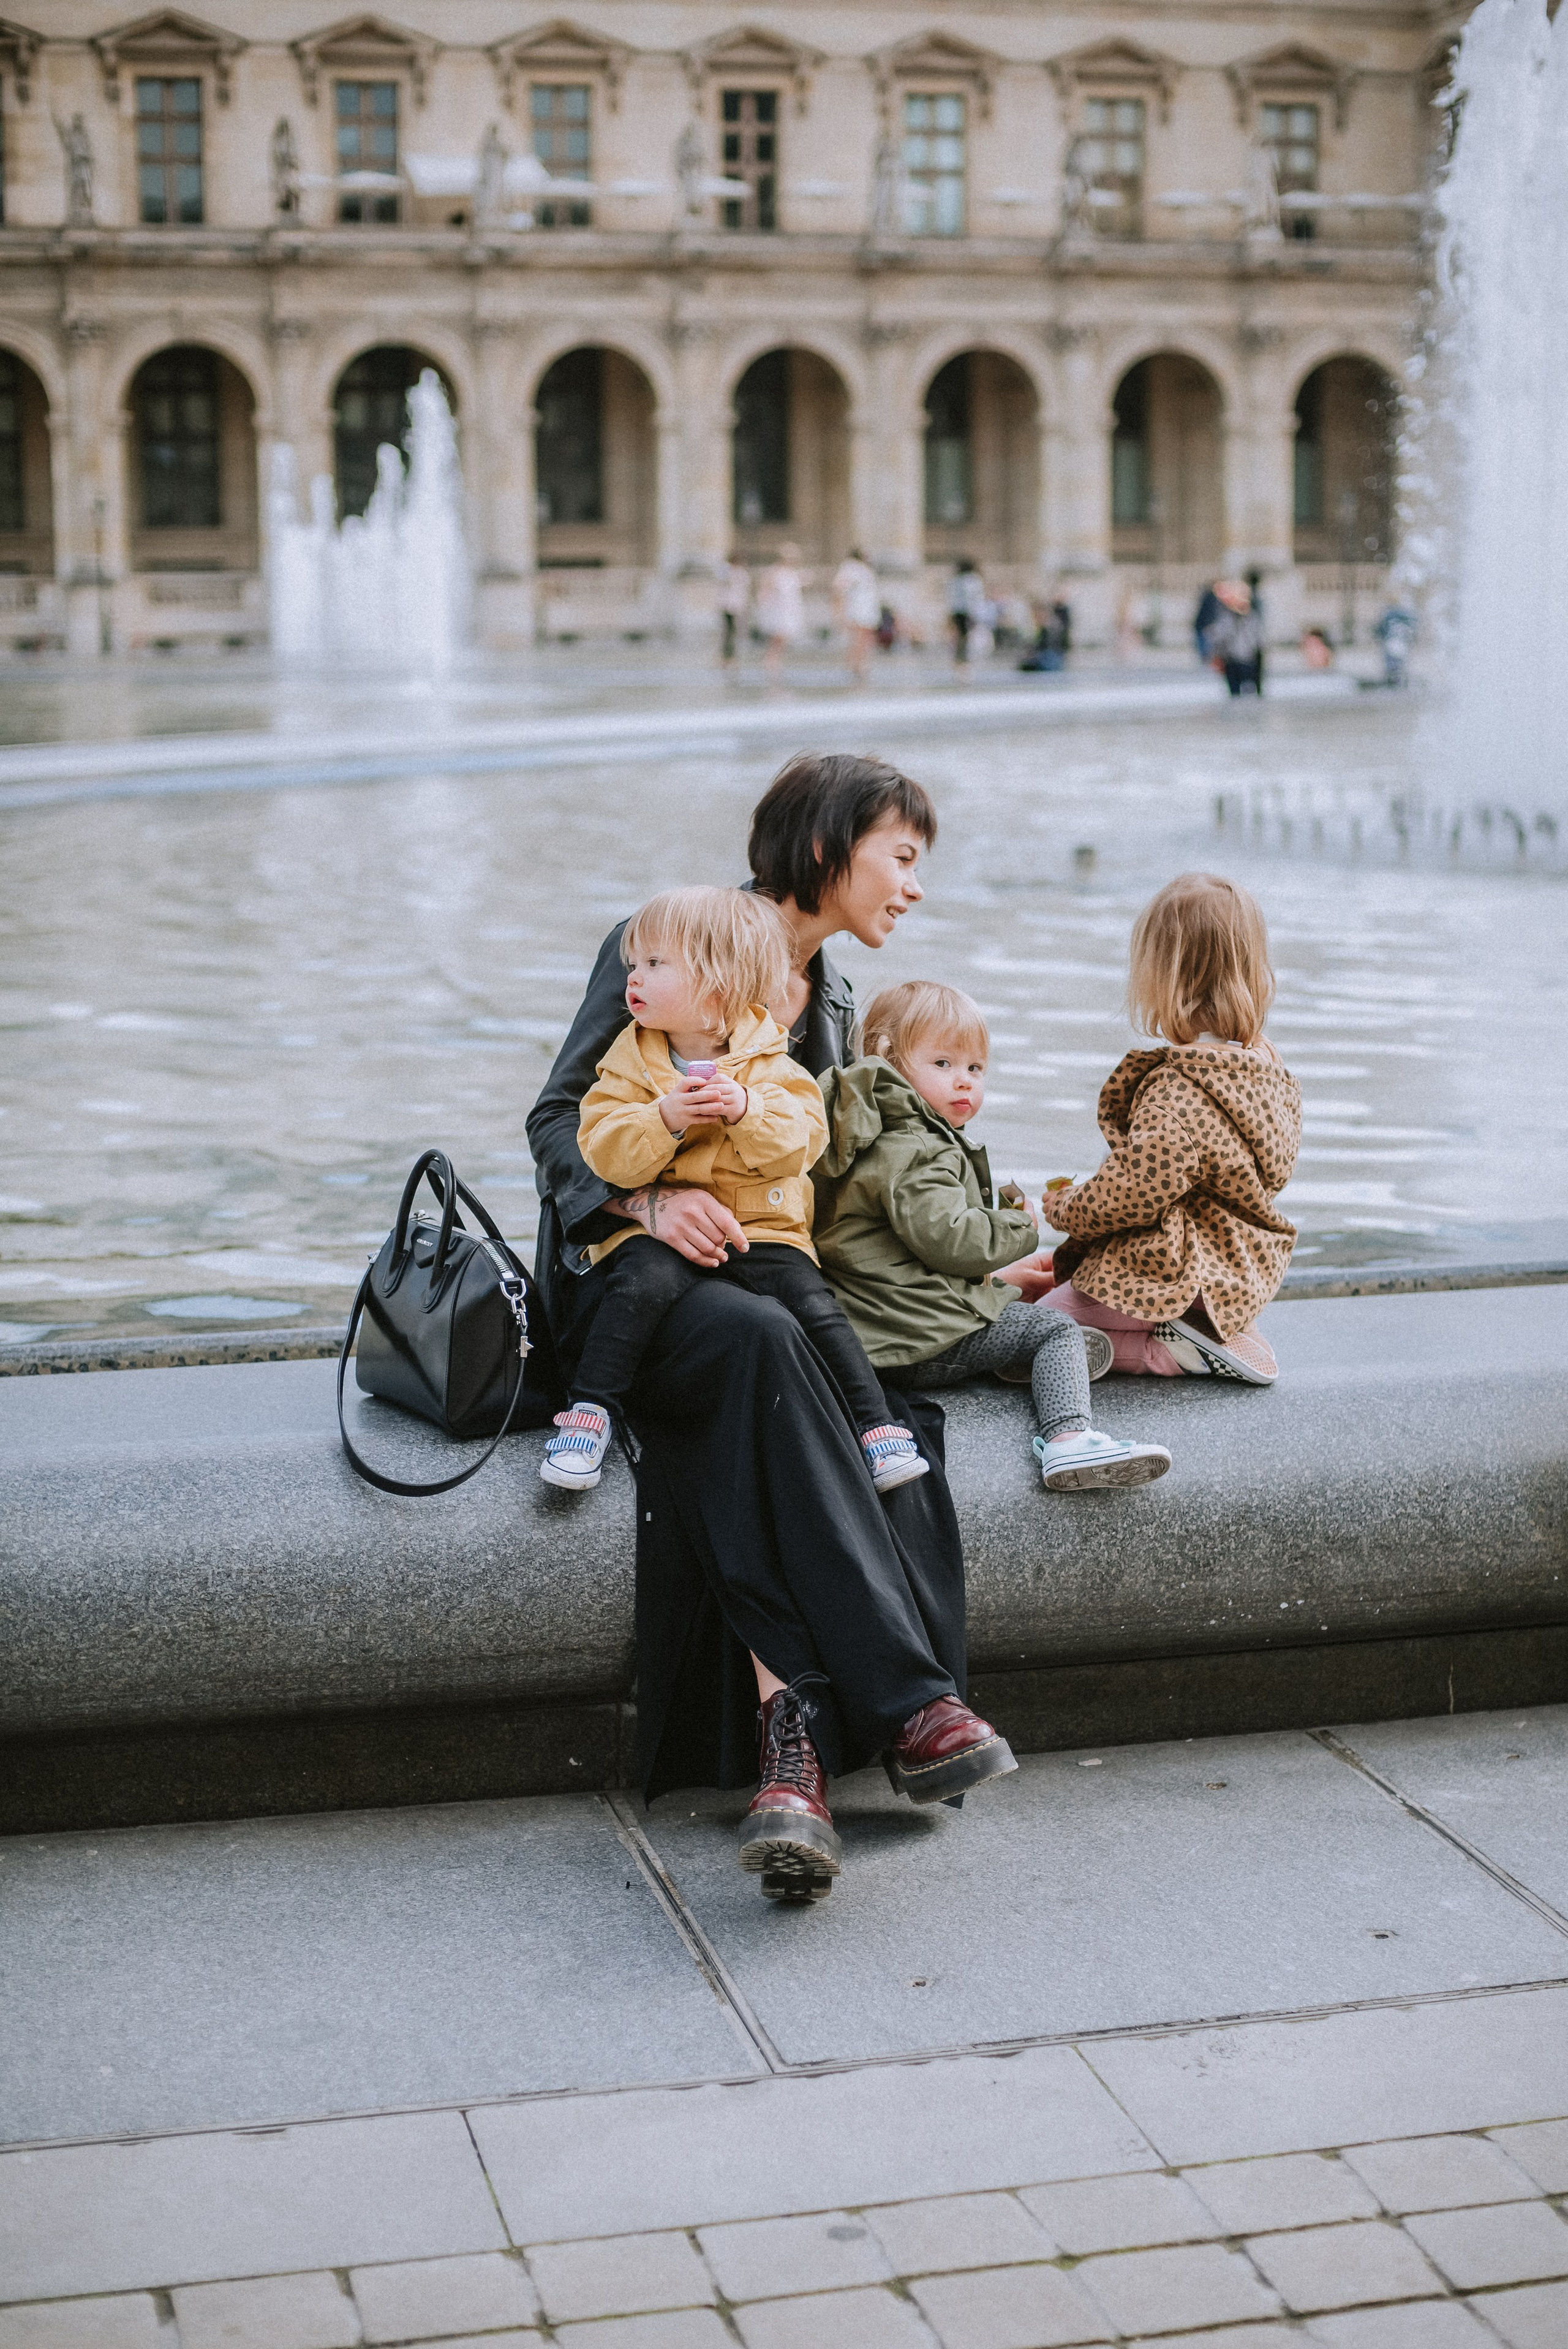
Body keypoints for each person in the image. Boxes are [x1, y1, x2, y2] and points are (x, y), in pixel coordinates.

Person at [526, 752, 1019, 1905]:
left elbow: (828, 1177)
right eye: (901, 857)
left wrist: (979, 1267)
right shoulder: (672, 937)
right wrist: (645, 1199)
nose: (912, 886)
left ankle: (789, 1748)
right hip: (631, 1278)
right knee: (765, 1349)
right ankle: (907, 1704)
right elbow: (557, 1115)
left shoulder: (836, 1002)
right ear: (828, 846)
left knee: (836, 1377)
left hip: (762, 1286)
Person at [541, 885, 926, 1498]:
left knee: (813, 1305)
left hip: (763, 1225)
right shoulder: (628, 1061)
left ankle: (875, 1427)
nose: (632, 977)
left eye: (654, 965)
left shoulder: (771, 1060)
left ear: (717, 988)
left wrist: (746, 1110)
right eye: (633, 964)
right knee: (638, 1285)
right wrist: (662, 1118)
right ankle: (590, 1414)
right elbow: (601, 1148)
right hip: (659, 1228)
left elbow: (804, 1144)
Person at [813, 980, 1172, 1492]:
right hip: (922, 1339)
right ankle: (1068, 1440)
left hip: (876, 1330)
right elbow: (953, 1241)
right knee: (1054, 1332)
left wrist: (994, 1276)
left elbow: (901, 1251)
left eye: (975, 1069)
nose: (964, 1083)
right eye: (943, 1065)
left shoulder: (861, 1132)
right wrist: (1016, 1225)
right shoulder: (917, 1147)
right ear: (889, 1058)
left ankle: (1026, 1365)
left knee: (1018, 1318)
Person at [1036, 873, 1302, 1385]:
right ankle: (1206, 1331)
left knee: (1034, 1329)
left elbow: (1133, 1191)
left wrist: (1067, 1206)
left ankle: (1168, 1351)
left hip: (1168, 1274)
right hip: (1241, 1269)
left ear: (1164, 978)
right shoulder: (1267, 1067)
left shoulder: (1179, 1088)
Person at [755, 543, 806, 679]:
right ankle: (771, 661)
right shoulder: (776, 572)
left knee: (783, 638)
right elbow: (766, 588)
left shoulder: (793, 572)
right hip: (779, 609)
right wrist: (764, 602)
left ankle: (776, 661)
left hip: (789, 609)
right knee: (778, 637)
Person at [1207, 580, 1264, 697]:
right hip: (1233, 660)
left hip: (1247, 659)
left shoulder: (1252, 617)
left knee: (1246, 694)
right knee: (1235, 695)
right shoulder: (1227, 616)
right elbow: (1219, 638)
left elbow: (1258, 640)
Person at [832, 548, 880, 681]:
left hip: (867, 608)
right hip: (858, 609)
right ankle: (855, 665)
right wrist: (838, 609)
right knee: (859, 638)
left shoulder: (863, 569)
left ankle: (859, 664)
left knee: (865, 638)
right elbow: (839, 586)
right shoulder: (851, 567)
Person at [948, 557, 984, 667]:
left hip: (957, 612)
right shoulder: (974, 580)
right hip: (968, 612)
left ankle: (959, 659)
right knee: (966, 638)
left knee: (960, 637)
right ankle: (964, 660)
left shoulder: (956, 580)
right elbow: (976, 599)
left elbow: (951, 598)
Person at [717, 556, 750, 666]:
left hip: (737, 607)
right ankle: (726, 657)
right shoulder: (728, 572)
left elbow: (743, 592)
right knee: (728, 632)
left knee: (735, 632)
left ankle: (732, 656)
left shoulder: (742, 574)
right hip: (728, 606)